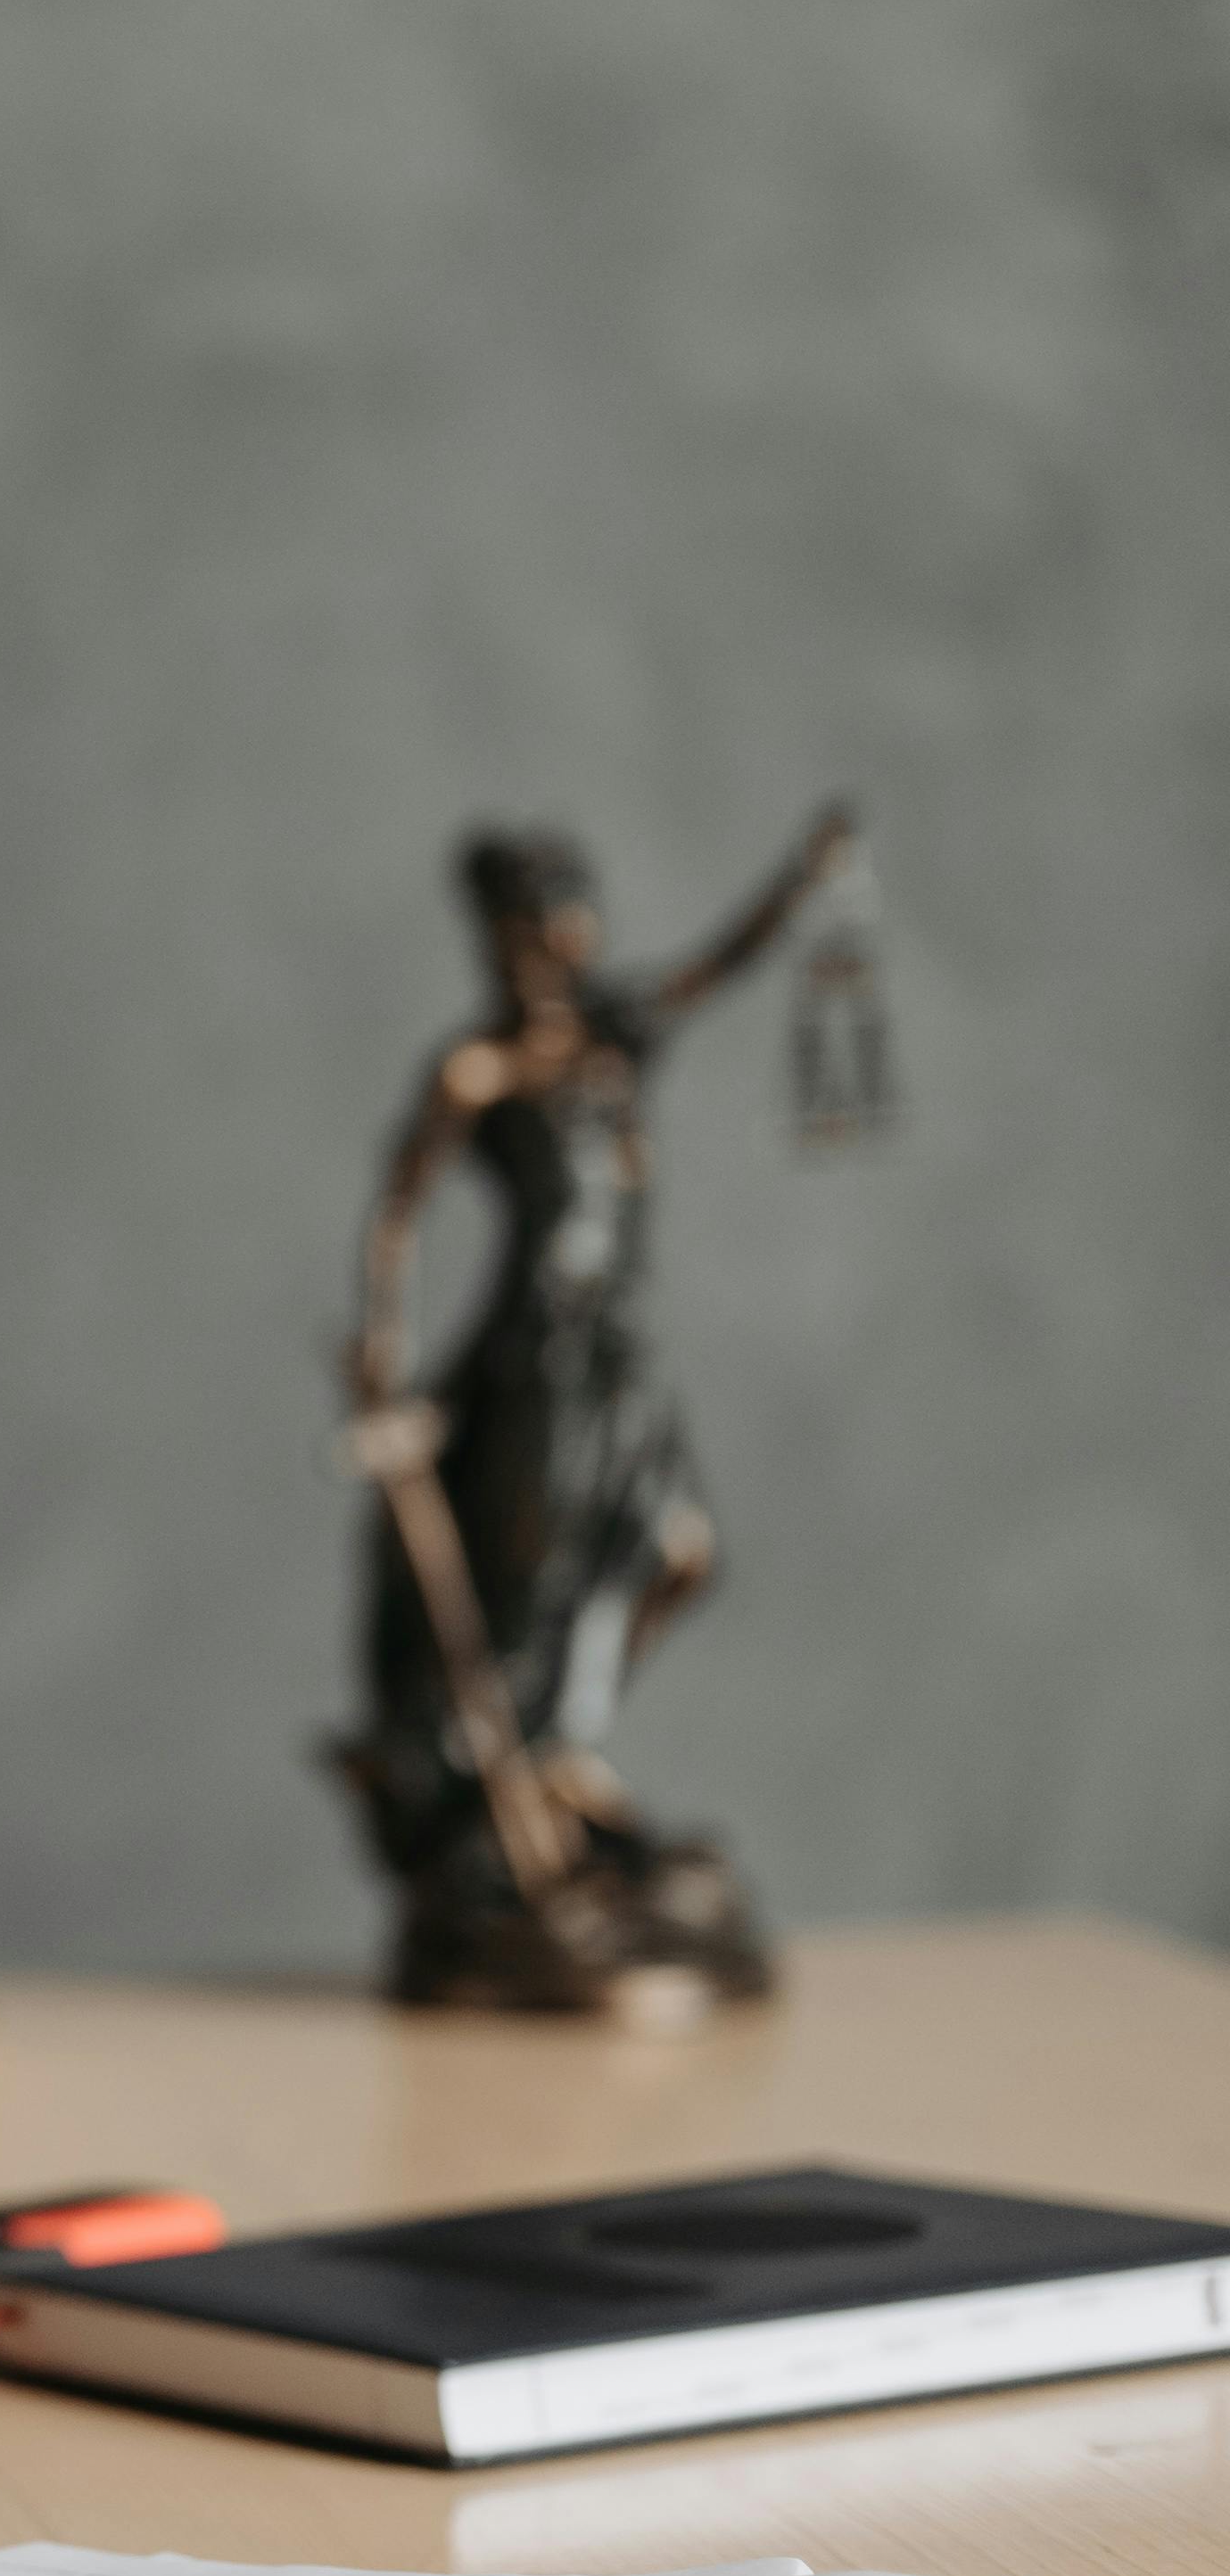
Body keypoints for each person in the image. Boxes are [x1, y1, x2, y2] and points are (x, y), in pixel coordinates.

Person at [331, 809, 854, 2013]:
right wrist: (384, 1353)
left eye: (554, 927)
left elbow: (719, 966)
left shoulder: (619, 1035)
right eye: (514, 932)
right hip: (536, 1361)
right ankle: (504, 1785)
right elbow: (399, 1207)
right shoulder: (480, 1068)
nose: (537, 952)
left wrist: (801, 886)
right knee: (521, 1585)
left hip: (626, 1357)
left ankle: (559, 1745)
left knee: (679, 1554)